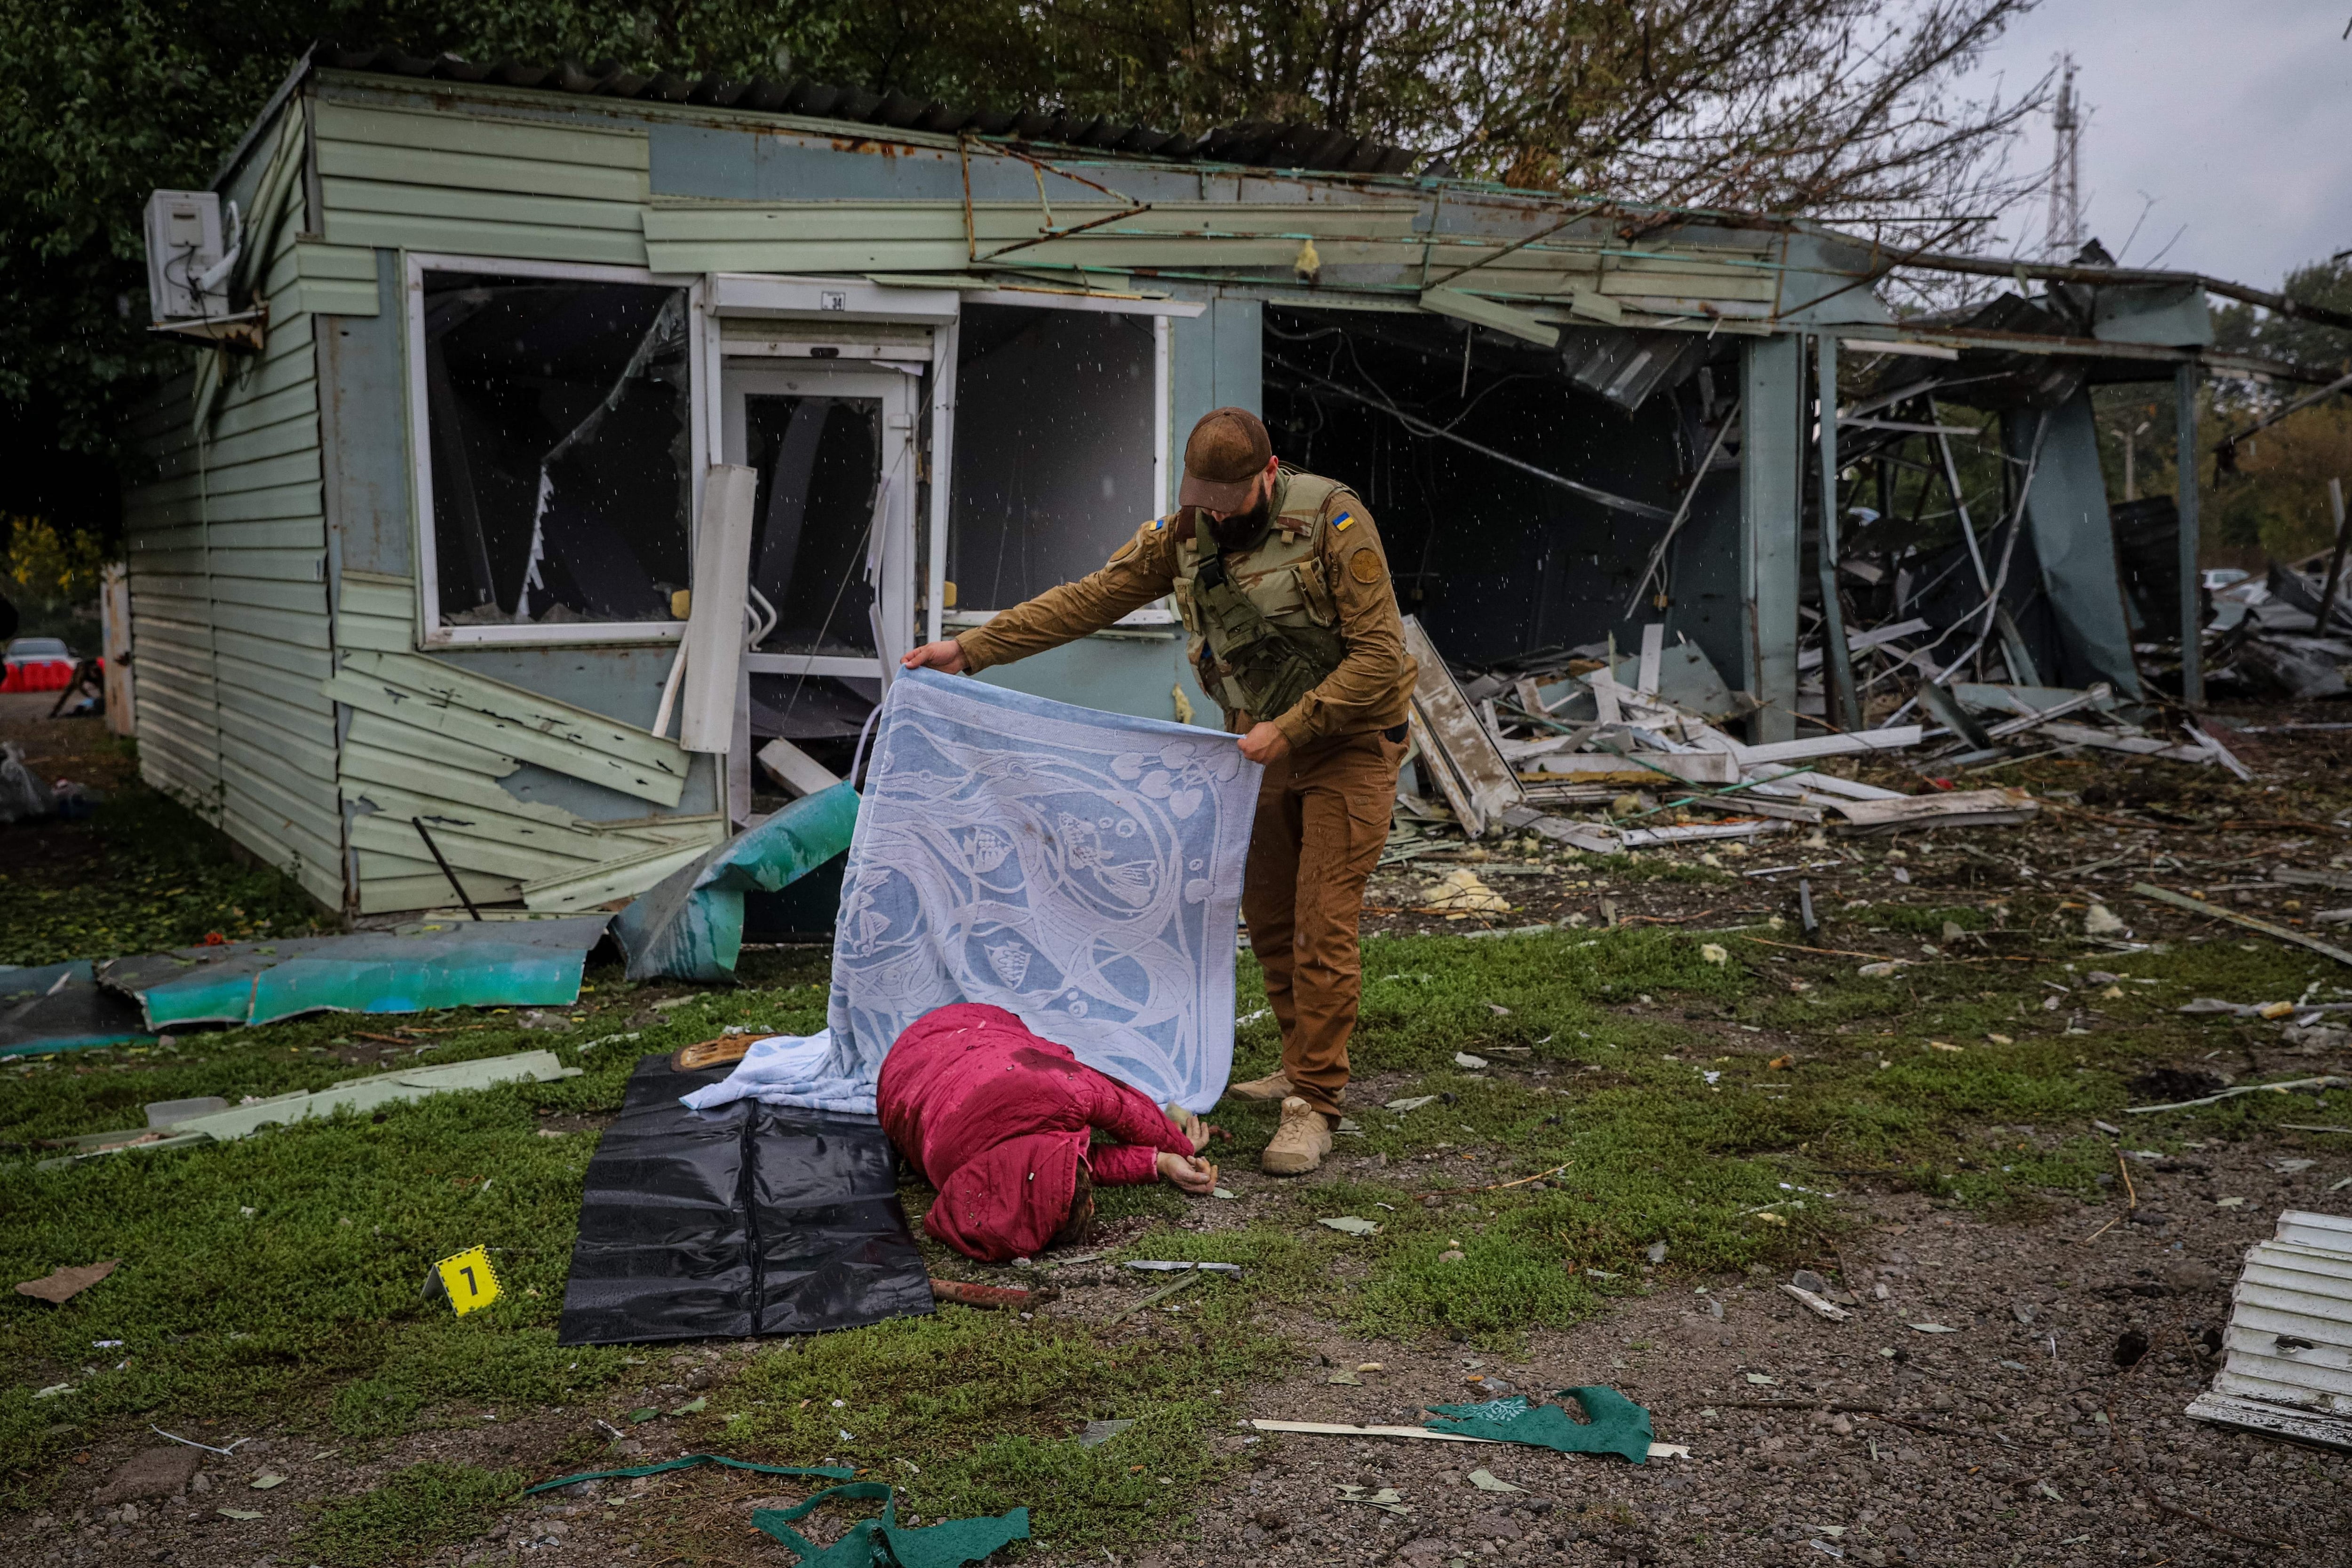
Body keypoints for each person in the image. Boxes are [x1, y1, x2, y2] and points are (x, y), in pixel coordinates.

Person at [901, 407, 1415, 1175]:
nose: (1211, 511)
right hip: (1257, 746)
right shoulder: (1186, 534)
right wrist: (972, 649)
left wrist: (1296, 724)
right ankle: (1297, 1053)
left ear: (1267, 476)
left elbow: (1380, 656)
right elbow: (1089, 599)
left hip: (1346, 742)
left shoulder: (1335, 523)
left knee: (1322, 919)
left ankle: (1314, 1098)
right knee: (1272, 917)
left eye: (1227, 498)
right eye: (1200, 495)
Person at [878, 1002, 1218, 1264]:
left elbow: (1123, 1108)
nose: (1095, 1205)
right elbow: (1056, 1166)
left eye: (1088, 1204)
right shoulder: (956, 1172)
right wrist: (1161, 1161)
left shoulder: (1063, 1092)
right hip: (899, 1075)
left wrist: (1180, 1144)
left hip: (968, 1026)